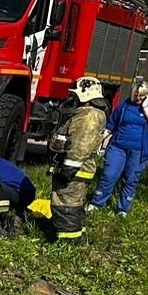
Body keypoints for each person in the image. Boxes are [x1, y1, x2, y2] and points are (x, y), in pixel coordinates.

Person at [47, 76, 108, 242]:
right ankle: (77, 237)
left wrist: (69, 168)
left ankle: (68, 242)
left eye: (75, 96)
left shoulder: (89, 116)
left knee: (66, 205)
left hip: (74, 171)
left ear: (85, 94)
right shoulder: (88, 114)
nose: (73, 99)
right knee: (74, 204)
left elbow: (81, 145)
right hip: (75, 169)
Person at [89, 79, 148, 216]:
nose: (138, 98)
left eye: (141, 95)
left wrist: (145, 107)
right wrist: (99, 142)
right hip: (118, 147)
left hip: (139, 151)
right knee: (109, 175)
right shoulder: (124, 106)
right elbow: (111, 125)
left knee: (130, 179)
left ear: (147, 95)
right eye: (136, 95)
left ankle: (122, 209)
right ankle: (96, 203)